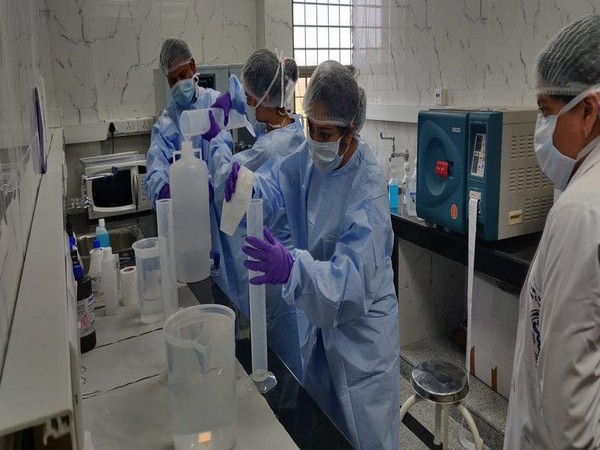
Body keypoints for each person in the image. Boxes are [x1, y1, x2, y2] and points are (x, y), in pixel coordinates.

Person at [227, 60, 400, 449]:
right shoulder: (310, 156)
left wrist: (292, 270)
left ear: (351, 130)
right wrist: (249, 187)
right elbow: (279, 183)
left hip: (361, 340)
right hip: (322, 329)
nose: (315, 139)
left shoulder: (368, 190)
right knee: (323, 430)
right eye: (310, 127)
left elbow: (348, 283)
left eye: (325, 132)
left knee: (364, 436)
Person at [504, 13, 600, 450]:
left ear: (588, 110)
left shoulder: (581, 212)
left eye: (545, 113)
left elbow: (567, 407)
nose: (539, 132)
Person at [206, 49, 307, 379]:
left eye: (250, 98)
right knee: (288, 361)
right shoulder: (291, 128)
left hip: (278, 272)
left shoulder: (273, 148)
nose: (246, 105)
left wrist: (218, 136)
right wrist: (236, 95)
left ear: (267, 98)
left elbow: (227, 184)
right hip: (290, 264)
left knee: (287, 367)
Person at [144, 38, 236, 207]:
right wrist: (166, 191)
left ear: (193, 66)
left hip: (218, 207)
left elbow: (225, 155)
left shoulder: (214, 103)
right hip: (184, 210)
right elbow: (155, 169)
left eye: (183, 75)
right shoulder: (165, 124)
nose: (179, 84)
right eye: (173, 80)